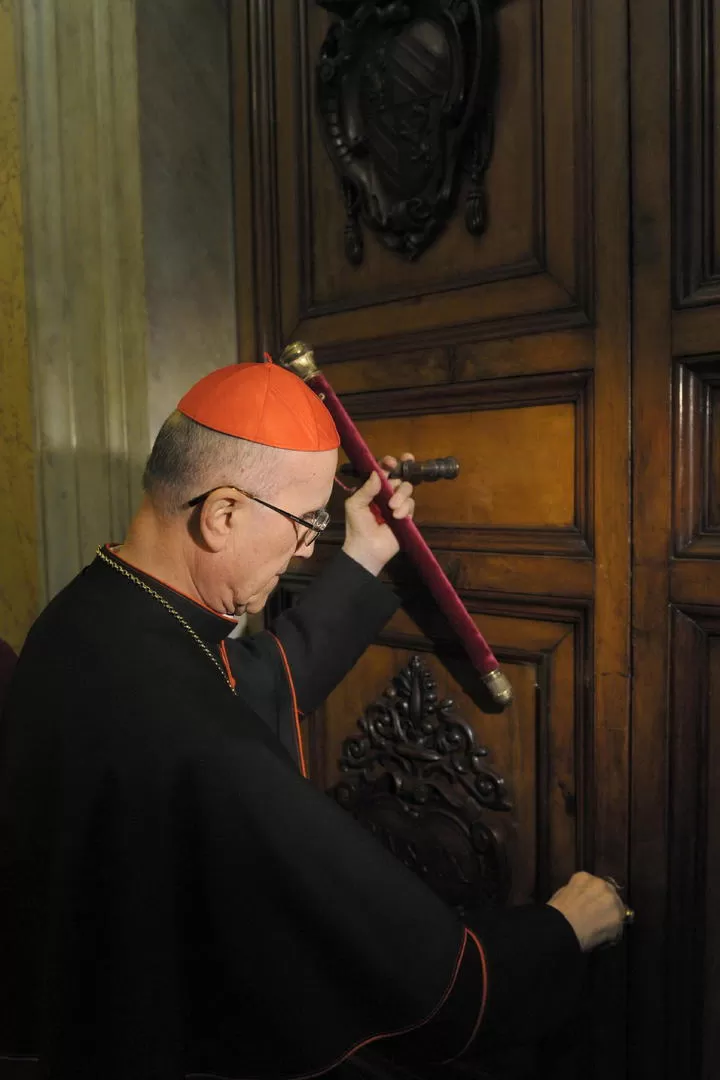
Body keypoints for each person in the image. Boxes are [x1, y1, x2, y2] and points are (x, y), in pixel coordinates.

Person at [0, 360, 626, 1080]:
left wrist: (365, 553)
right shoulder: (189, 723)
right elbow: (416, 972)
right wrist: (557, 931)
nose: (306, 548)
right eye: (305, 524)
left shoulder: (97, 612)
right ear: (223, 513)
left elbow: (248, 679)